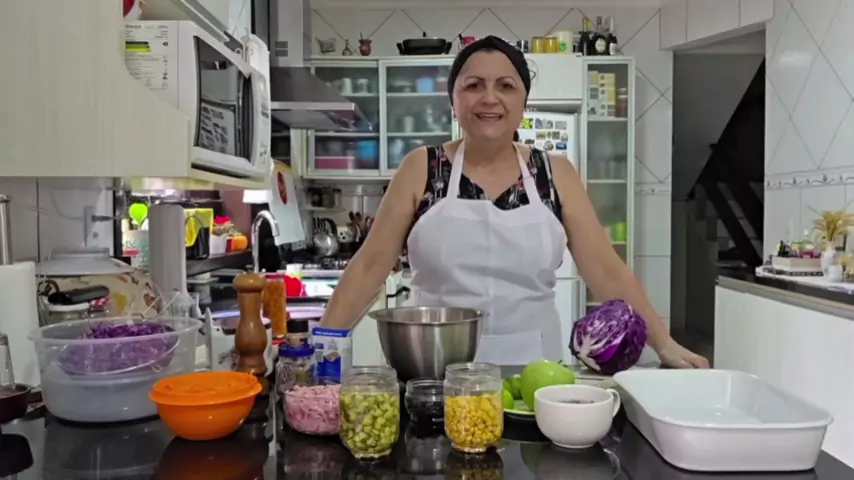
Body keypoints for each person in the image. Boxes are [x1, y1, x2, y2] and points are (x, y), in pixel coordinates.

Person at [318, 36, 709, 369]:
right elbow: (369, 265)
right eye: (474, 85)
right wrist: (323, 347)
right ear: (454, 100)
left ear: (524, 102)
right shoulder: (422, 167)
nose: (490, 98)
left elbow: (606, 270)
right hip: (436, 372)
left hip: (536, 374)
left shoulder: (555, 173)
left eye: (506, 86)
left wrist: (664, 343)